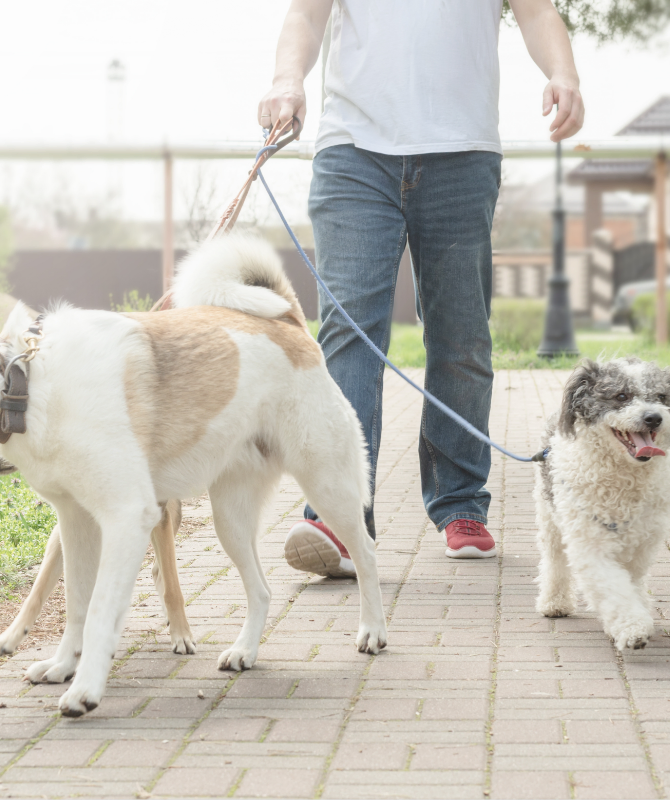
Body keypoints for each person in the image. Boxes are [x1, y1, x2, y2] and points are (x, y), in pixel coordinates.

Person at [260, 0, 585, 577]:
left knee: (462, 337)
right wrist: (288, 80)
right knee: (348, 336)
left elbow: (536, 12)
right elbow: (306, 15)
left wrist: (564, 74)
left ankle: (460, 501)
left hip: (462, 155)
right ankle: (339, 516)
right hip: (354, 153)